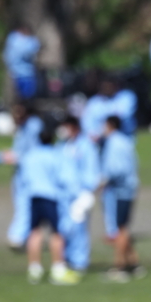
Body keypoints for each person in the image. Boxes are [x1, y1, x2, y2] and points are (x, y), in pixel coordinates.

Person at [20, 125, 80, 284]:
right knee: (56, 233)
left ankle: (34, 269)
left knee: (34, 232)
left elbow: (24, 177)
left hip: (34, 195)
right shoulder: (56, 156)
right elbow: (64, 178)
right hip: (50, 196)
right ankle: (58, 268)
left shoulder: (30, 156)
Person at [100, 115, 144, 282]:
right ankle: (134, 264)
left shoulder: (114, 143)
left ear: (110, 125)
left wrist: (102, 182)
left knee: (120, 229)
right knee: (122, 226)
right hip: (129, 189)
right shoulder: (126, 141)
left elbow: (115, 169)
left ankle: (120, 266)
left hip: (120, 190)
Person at [0, 102, 43, 249]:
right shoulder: (23, 127)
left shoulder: (34, 126)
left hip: (32, 173)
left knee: (26, 204)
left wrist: (12, 157)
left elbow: (33, 152)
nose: (15, 116)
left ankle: (17, 236)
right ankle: (21, 235)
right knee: (21, 203)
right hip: (21, 172)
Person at [58, 115, 100, 274]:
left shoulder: (86, 145)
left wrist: (87, 192)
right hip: (63, 194)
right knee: (64, 228)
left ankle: (80, 262)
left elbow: (91, 170)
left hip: (79, 194)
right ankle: (66, 259)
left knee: (78, 229)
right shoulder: (62, 145)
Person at [4, 25, 41, 101]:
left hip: (22, 73)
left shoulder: (13, 39)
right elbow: (27, 53)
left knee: (26, 98)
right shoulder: (16, 39)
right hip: (22, 74)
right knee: (24, 98)